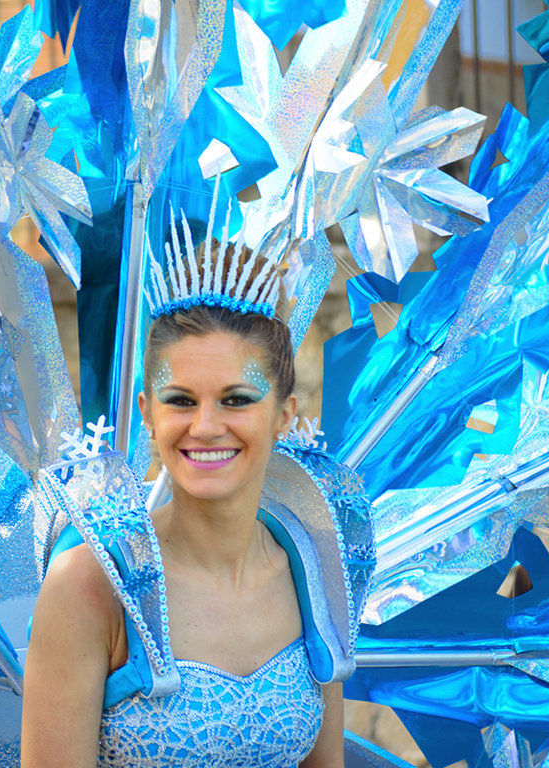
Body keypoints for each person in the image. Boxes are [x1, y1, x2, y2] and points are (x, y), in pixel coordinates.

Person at [22, 240, 356, 767]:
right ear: (148, 415)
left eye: (237, 400)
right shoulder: (91, 584)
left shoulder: (315, 564)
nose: (204, 427)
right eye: (180, 400)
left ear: (284, 415)